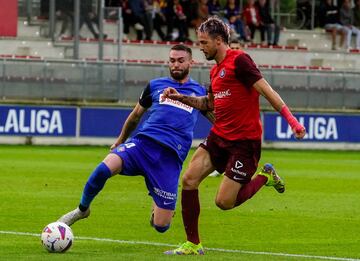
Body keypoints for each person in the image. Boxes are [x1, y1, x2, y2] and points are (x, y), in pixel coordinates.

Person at [163, 16, 306, 255]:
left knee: (224, 202)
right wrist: (179, 97)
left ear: (219, 41)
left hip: (244, 144)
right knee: (189, 180)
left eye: (204, 42)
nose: (200, 47)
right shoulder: (215, 71)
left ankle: (265, 176)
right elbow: (208, 104)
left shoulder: (240, 61)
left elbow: (266, 90)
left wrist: (291, 121)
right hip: (219, 137)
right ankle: (193, 243)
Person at [57, 44, 209, 234]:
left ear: (191, 62)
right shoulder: (155, 85)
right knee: (102, 170)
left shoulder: (201, 92)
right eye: (172, 61)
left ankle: (156, 203)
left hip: (169, 158)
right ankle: (81, 210)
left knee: (161, 226)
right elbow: (136, 115)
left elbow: (216, 119)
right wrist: (121, 140)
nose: (176, 65)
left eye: (180, 60)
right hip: (142, 145)